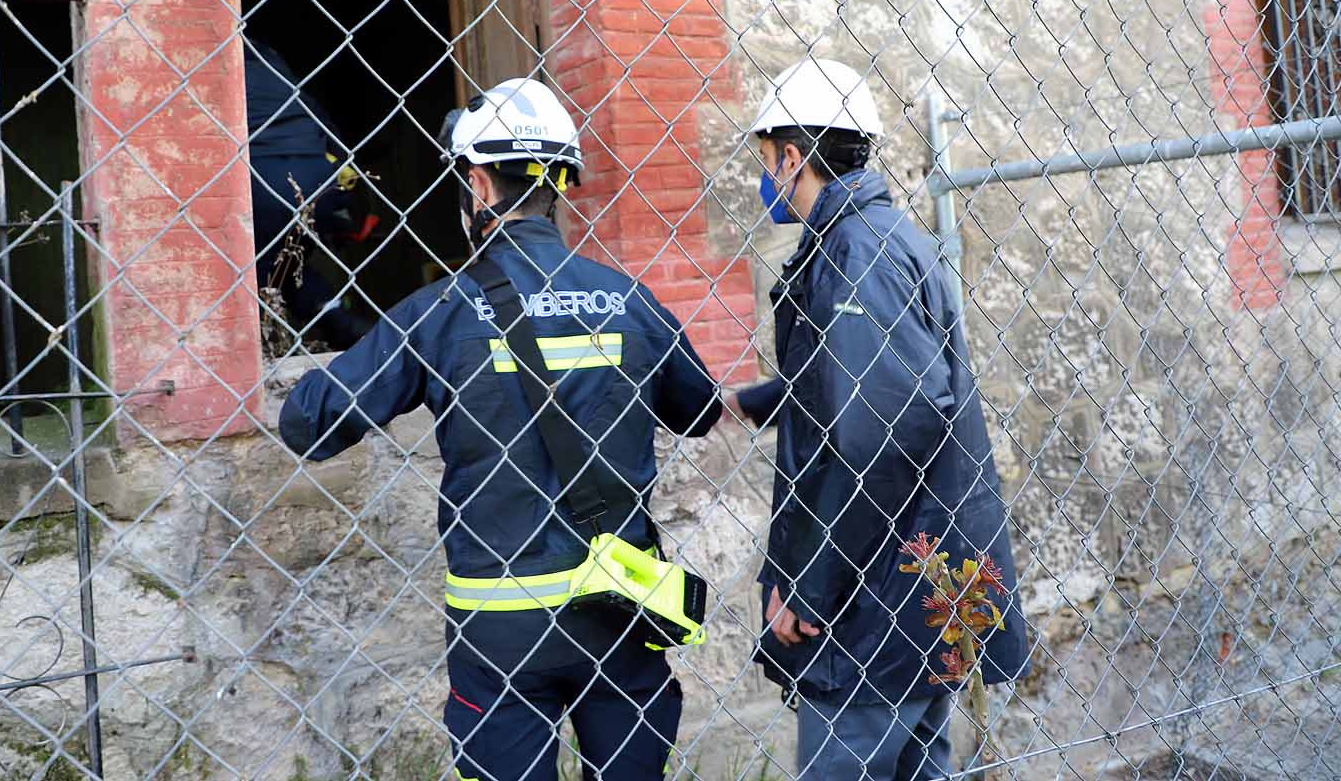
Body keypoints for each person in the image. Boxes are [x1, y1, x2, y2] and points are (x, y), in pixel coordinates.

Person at [279, 78, 722, 781]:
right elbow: (699, 411)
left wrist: (348, 331)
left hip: (502, 631)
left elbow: (307, 423)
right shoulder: (630, 300)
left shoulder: (439, 313)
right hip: (619, 613)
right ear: (559, 185)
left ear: (479, 183)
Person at [723, 57, 1028, 781]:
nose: (764, 178)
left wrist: (807, 584)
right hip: (910, 595)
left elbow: (885, 430)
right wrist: (754, 400)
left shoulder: (855, 255)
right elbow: (856, 379)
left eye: (767, 160)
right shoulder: (877, 237)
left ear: (794, 157)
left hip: (868, 613)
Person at [244, 38, 375, 349]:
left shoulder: (213, 70)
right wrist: (345, 211)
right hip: (315, 181)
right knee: (289, 266)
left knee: (258, 267)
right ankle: (338, 320)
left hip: (256, 177)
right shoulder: (280, 74)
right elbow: (335, 143)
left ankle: (255, 350)